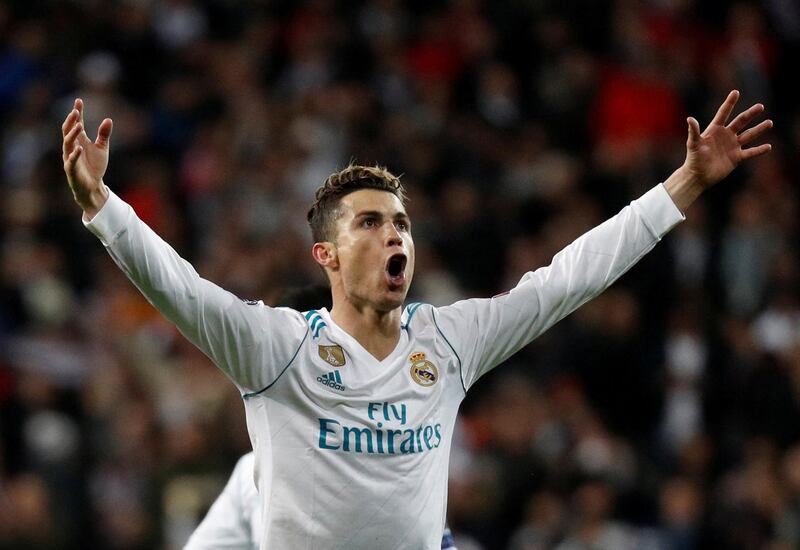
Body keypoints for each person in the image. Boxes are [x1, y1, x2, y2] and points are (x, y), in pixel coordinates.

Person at [61, 90, 771, 549]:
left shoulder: (449, 343)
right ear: (328, 256)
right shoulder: (276, 348)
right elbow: (179, 287)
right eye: (370, 223)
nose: (395, 235)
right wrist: (102, 206)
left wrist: (686, 185)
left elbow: (568, 280)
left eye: (400, 222)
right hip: (252, 515)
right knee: (250, 486)